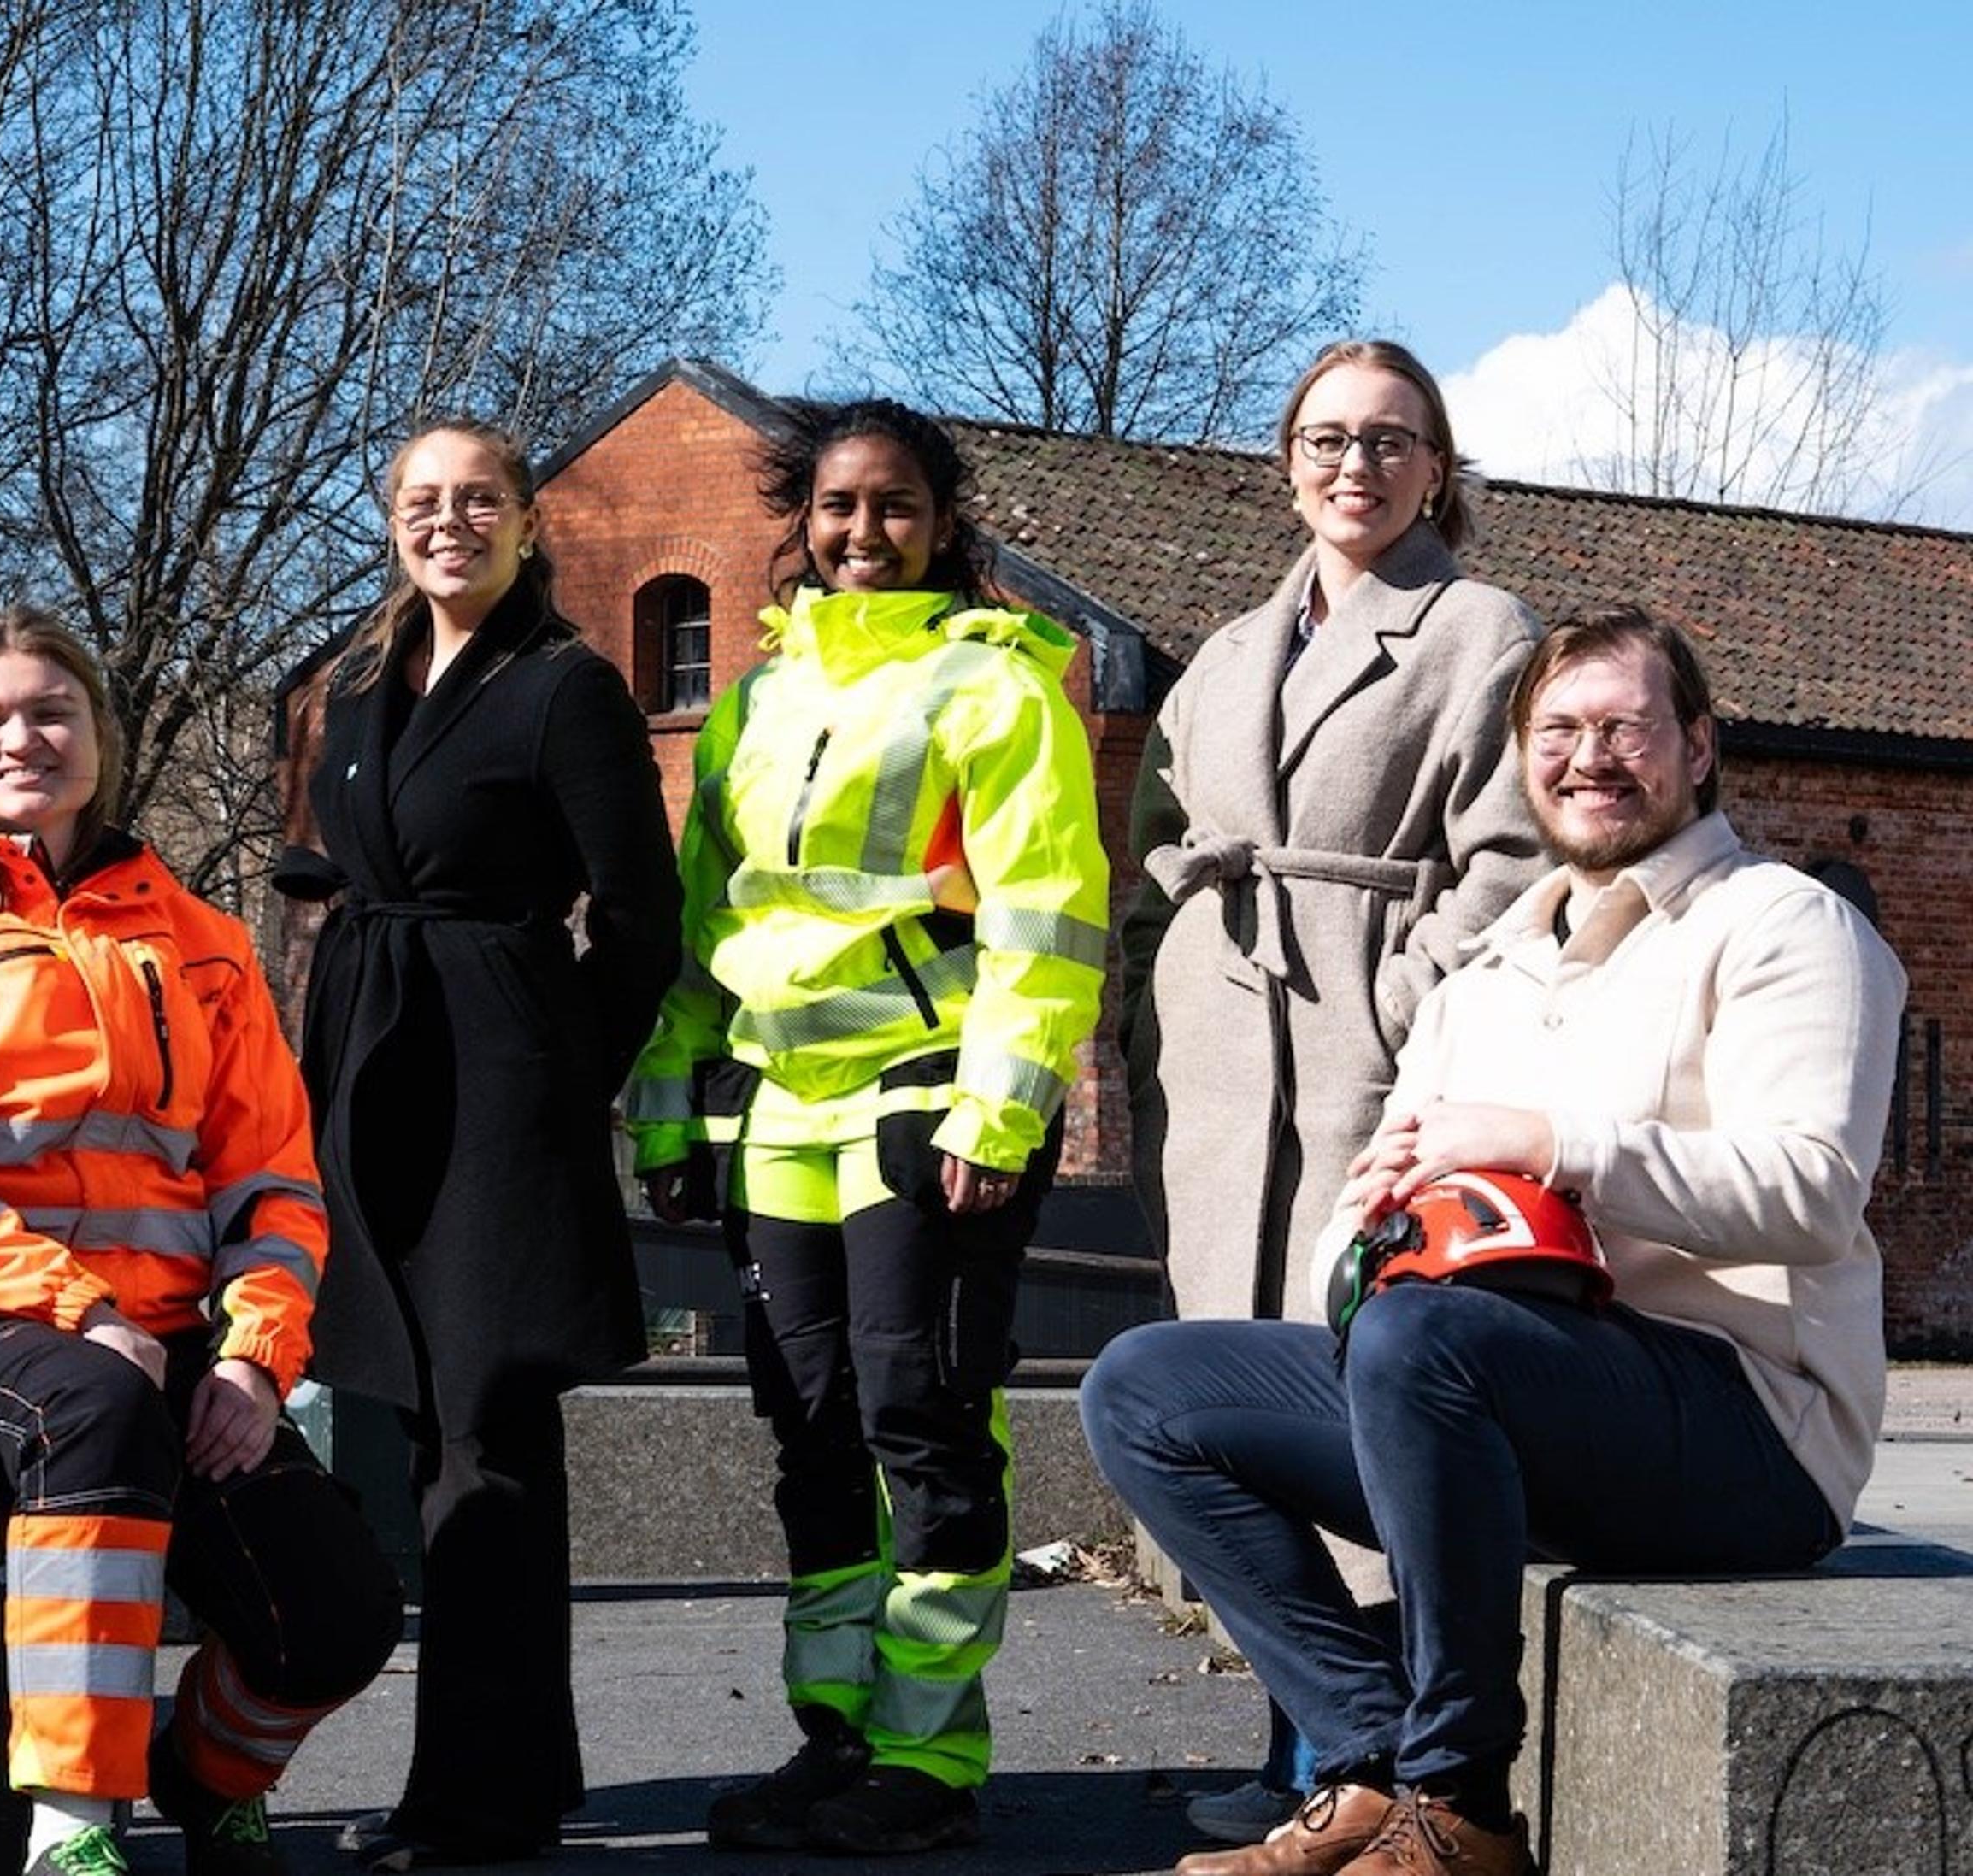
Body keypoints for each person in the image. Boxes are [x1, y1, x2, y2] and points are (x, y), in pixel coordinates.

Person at [1085, 608, 1900, 1876]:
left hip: (1743, 1426)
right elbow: (1365, 1224)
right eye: (1560, 731)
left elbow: (1809, 1190)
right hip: (1500, 1388)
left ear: (1698, 744)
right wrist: (1370, 1238)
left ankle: (1461, 1804)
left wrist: (1541, 1141)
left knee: (1424, 1337)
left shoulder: (1786, 926)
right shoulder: (1491, 973)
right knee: (1147, 1386)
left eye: (1627, 727)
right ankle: (1368, 1760)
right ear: (1526, 757)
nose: (1592, 758)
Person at [0, 610, 400, 1876]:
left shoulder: (203, 942)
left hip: (168, 1345)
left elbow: (273, 1181)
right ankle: (73, 1824)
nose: (25, 739)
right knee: (96, 1407)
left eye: (53, 713)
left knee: (337, 1617)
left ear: (101, 741)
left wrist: (253, 1360)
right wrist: (82, 1311)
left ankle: (204, 1774)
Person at [627, 398, 1111, 1856]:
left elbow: (1046, 922)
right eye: (838, 507)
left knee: (925, 1421)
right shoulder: (755, 704)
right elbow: (712, 919)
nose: (862, 532)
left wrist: (1003, 1110)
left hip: (925, 1102)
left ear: (944, 522)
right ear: (805, 522)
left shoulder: (998, 687)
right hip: (776, 1108)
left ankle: (932, 1762)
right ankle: (835, 1739)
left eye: (894, 506)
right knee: (813, 1432)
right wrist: (669, 1106)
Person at [1117, 339, 1544, 1842]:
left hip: (1370, 1055)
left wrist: (1398, 997)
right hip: (1231, 1057)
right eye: (1325, 439)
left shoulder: (1481, 627)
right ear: (1286, 462)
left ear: (1438, 467)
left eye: (1388, 440)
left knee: (1350, 1388)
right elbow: (1166, 818)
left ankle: (1370, 1765)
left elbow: (1510, 856)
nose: (1353, 466)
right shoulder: (1229, 647)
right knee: (1229, 1394)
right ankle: (1303, 1737)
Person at [284, 420, 680, 1866]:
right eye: (418, 500)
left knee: (488, 1440)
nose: (446, 521)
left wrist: (557, 1075)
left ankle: (480, 1798)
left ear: (526, 522)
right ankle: (514, 1775)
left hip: (497, 1095)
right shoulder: (357, 678)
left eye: (477, 500)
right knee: (421, 1430)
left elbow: (641, 924)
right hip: (369, 1073)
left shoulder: (567, 687)